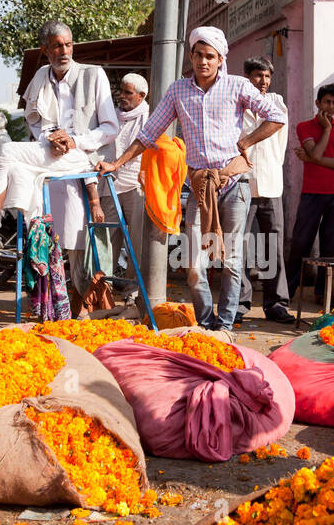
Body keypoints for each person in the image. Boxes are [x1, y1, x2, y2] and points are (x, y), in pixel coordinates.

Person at [97, 26, 286, 330]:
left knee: (231, 261)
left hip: (233, 185)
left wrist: (247, 142)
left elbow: (277, 117)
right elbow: (148, 134)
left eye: (210, 56)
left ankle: (224, 326)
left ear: (221, 59)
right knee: (194, 265)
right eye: (198, 55)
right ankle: (206, 320)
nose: (203, 62)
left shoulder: (237, 86)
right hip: (198, 187)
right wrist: (116, 163)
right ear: (191, 56)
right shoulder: (177, 91)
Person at [0, 21, 113, 293]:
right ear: (45, 49)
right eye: (57, 46)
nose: (64, 51)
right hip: (50, 154)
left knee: (75, 239)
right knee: (6, 152)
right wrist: (50, 137)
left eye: (68, 45)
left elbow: (110, 128)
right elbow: (36, 121)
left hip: (83, 156)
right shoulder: (40, 76)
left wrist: (74, 140)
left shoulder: (93, 75)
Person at [237, 57, 294, 323]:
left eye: (267, 76)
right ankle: (238, 303)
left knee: (274, 246)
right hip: (241, 182)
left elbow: (280, 143)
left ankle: (276, 304)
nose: (264, 81)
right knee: (239, 246)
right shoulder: (235, 106)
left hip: (270, 182)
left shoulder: (277, 103)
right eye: (258, 75)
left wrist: (270, 167)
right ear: (247, 76)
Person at [285, 84, 334, 301]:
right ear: (318, 103)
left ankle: (322, 293)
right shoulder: (304, 126)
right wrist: (326, 130)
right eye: (327, 102)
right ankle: (287, 291)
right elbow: (316, 151)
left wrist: (314, 159)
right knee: (301, 242)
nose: (331, 107)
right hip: (312, 193)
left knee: (329, 246)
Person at [107, 73, 149, 299]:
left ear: (141, 96)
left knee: (136, 240)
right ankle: (105, 285)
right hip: (112, 184)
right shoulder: (113, 116)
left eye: (128, 93)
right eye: (121, 91)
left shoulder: (148, 117)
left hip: (136, 185)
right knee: (109, 237)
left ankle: (133, 288)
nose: (122, 96)